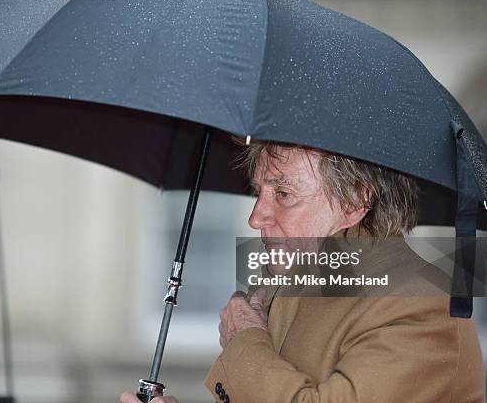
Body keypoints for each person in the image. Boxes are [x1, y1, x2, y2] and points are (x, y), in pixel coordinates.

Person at [120, 141, 486, 402]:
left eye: (283, 194)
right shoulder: (292, 279)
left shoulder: (425, 305)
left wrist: (246, 341)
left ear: (355, 200)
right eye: (258, 192)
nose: (255, 217)